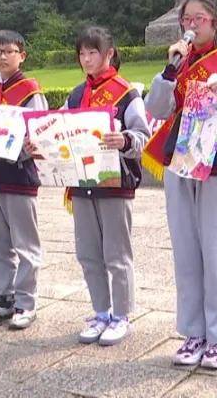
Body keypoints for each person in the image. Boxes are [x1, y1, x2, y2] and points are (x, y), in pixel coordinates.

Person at [144, 0, 217, 369]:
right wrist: (168, 71)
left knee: (216, 255)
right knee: (186, 253)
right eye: (187, 20)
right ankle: (193, 333)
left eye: (200, 19)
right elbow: (155, 109)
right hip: (180, 167)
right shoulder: (175, 67)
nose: (192, 26)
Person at [62, 26, 151, 346]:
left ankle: (121, 315)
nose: (86, 59)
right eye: (82, 54)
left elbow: (143, 135)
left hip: (116, 184)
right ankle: (101, 311)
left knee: (116, 254)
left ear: (109, 53)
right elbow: (58, 130)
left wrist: (124, 139)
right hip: (82, 183)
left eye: (93, 52)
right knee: (88, 253)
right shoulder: (75, 94)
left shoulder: (127, 94)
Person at [0, 30, 47, 330]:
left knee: (25, 244)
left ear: (22, 55)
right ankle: (4, 297)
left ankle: (25, 302)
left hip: (18, 176)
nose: (2, 57)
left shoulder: (30, 91)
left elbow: (38, 137)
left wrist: (3, 154)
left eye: (8, 51)